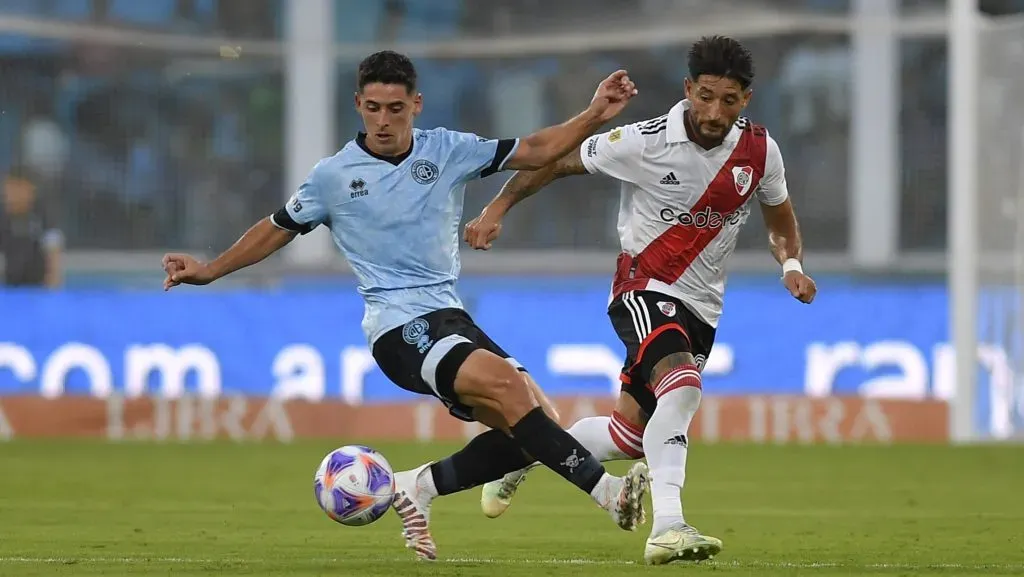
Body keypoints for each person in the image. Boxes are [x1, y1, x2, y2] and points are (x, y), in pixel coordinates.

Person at [161, 50, 649, 561]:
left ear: (416, 105)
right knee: (509, 389)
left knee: (536, 429)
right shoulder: (334, 176)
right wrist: (210, 270)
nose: (383, 120)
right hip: (399, 329)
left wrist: (594, 113)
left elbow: (536, 149)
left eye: (395, 108)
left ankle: (418, 485)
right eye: (373, 108)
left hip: (449, 316)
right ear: (358, 105)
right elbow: (276, 228)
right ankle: (609, 494)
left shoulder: (448, 150)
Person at [463, 36, 818, 565]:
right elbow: (556, 162)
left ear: (746, 98)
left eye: (728, 100)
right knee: (683, 387)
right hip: (643, 290)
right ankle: (669, 526)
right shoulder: (644, 141)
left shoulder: (760, 152)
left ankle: (529, 456)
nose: (713, 111)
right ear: (687, 89)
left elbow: (780, 216)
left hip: (703, 309)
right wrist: (498, 207)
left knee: (628, 436)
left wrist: (791, 265)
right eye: (704, 96)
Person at [0, 165, 63, 288]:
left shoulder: (43, 215)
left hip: (38, 287)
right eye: (9, 190)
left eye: (18, 190)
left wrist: (52, 286)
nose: (12, 196)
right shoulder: (3, 217)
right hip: (9, 287)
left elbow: (54, 250)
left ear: (30, 190)